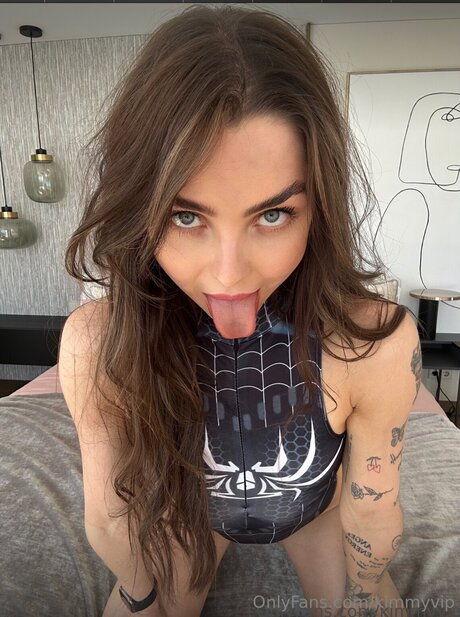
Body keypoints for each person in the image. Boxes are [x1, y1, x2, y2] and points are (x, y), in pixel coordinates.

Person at [58, 5, 421, 617]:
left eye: (272, 214)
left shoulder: (372, 341)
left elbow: (373, 512)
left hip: (317, 511)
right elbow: (110, 517)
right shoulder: (98, 343)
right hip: (191, 515)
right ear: (139, 209)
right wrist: (143, 597)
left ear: (320, 207)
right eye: (185, 216)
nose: (229, 276)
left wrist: (366, 588)